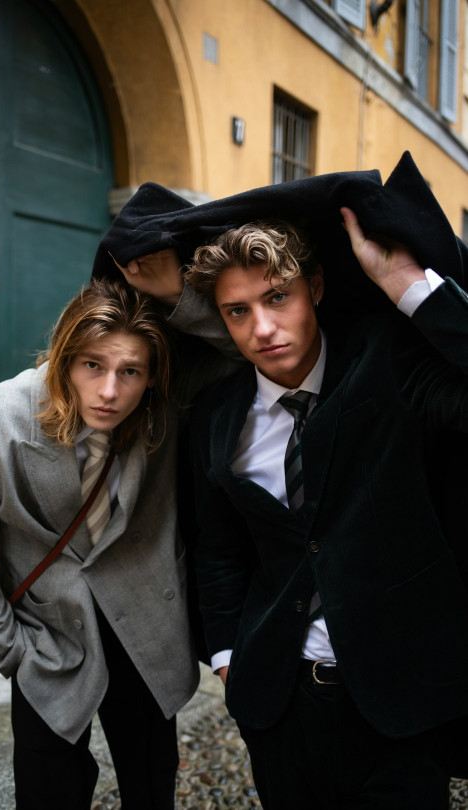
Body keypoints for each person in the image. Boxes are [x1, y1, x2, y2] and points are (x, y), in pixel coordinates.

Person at [95, 153, 468, 808]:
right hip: (279, 705)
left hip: (401, 701)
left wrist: (408, 285)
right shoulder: (216, 414)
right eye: (237, 312)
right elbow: (218, 548)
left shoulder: (391, 362)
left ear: (314, 289)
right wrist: (230, 655)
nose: (262, 329)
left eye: (277, 298)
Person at [0, 277, 199, 810]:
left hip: (146, 627)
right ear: (62, 359)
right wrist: (10, 650)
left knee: (151, 784)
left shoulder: (164, 409)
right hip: (46, 638)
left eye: (130, 372)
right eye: (92, 365)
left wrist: (176, 292)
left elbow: (240, 353)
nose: (109, 392)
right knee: (50, 790)